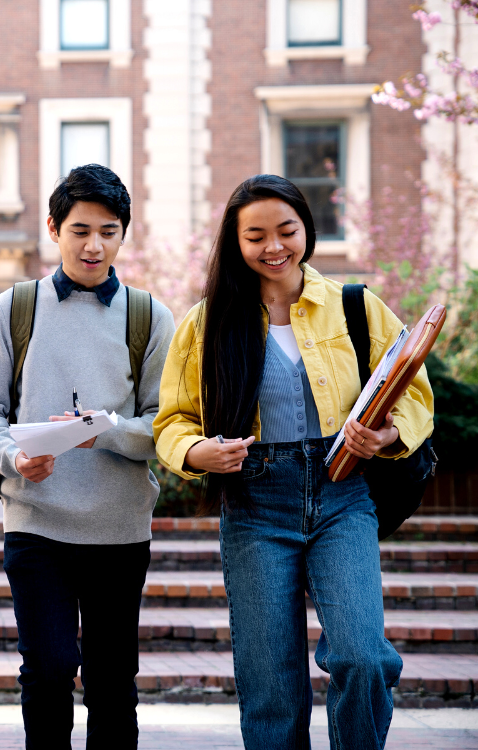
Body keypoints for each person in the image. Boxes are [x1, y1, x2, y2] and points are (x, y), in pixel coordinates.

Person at [153, 174, 434, 750]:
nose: (274, 246)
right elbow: (173, 421)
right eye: (255, 236)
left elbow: (415, 392)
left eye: (286, 230)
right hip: (254, 502)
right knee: (271, 688)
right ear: (235, 243)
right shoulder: (206, 323)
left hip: (343, 495)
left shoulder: (354, 306)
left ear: (307, 227)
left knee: (362, 656)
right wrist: (195, 451)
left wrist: (385, 436)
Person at [0, 164, 176, 749]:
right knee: (50, 668)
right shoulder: (15, 309)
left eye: (108, 231)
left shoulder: (149, 316)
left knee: (113, 681)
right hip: (37, 523)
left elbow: (167, 424)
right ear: (54, 229)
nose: (93, 244)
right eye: (80, 229)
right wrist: (14, 457)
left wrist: (102, 431)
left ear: (123, 235)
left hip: (119, 529)